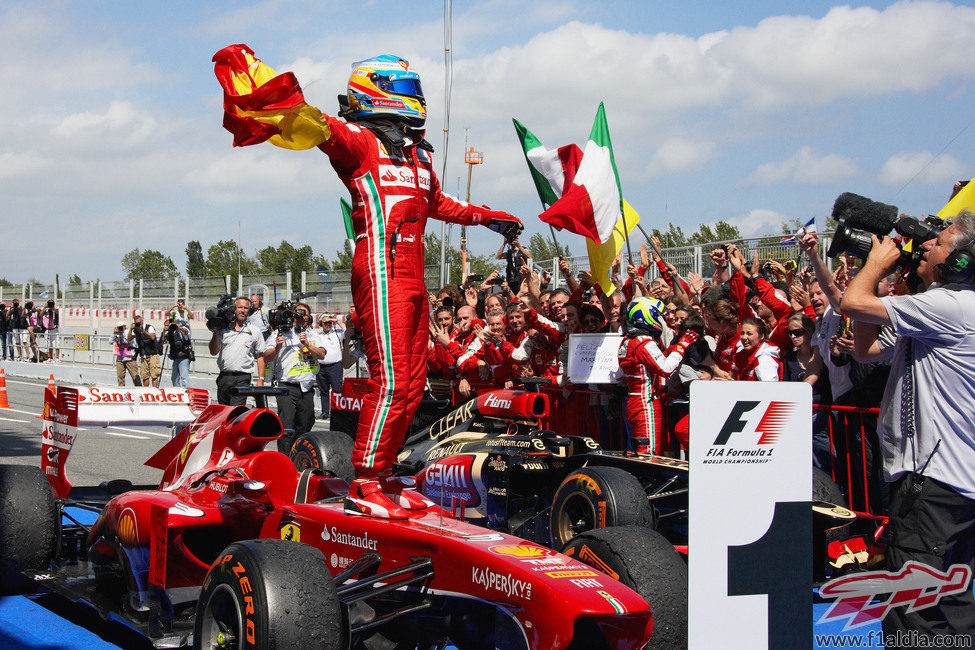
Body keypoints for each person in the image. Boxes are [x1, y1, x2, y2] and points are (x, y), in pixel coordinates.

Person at [214, 46, 522, 518]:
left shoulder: (418, 155)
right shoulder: (358, 140)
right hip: (380, 269)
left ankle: (389, 472)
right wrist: (264, 88)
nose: (413, 98)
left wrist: (491, 219)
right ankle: (366, 479)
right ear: (376, 92)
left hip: (415, 277)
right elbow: (309, 120)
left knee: (414, 384)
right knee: (392, 380)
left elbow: (442, 205)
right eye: (404, 90)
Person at [841, 211, 975, 643]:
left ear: (959, 261)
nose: (926, 246)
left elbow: (850, 304)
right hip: (952, 483)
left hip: (934, 483)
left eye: (938, 242)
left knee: (911, 603)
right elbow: (865, 350)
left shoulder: (950, 306)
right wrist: (877, 284)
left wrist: (875, 266)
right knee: (950, 601)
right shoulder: (949, 308)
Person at [617, 297, 699, 454]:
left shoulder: (627, 340)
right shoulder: (643, 341)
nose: (661, 319)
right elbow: (666, 369)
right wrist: (683, 345)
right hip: (646, 403)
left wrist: (674, 347)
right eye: (657, 315)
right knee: (649, 451)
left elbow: (648, 364)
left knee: (641, 448)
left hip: (635, 399)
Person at [263, 303, 325, 454]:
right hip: (286, 387)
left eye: (304, 313)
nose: (300, 316)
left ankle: (298, 455)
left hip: (306, 387)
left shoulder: (312, 334)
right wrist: (277, 348)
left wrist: (307, 345)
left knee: (306, 424)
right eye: (297, 313)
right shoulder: (281, 333)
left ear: (308, 317)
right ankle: (284, 459)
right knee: (286, 427)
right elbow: (266, 357)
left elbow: (322, 354)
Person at [209, 297, 267, 405]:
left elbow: (260, 356)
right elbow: (213, 352)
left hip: (243, 378)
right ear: (234, 309)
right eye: (240, 307)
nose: (242, 310)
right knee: (224, 413)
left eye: (246, 308)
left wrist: (261, 379)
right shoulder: (223, 329)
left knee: (236, 411)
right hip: (224, 377)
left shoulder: (255, 331)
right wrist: (215, 332)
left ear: (249, 310)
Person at [315, 313, 345, 420]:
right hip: (321, 367)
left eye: (329, 322)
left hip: (335, 366)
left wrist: (335, 320)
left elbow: (346, 329)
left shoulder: (337, 333)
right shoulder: (317, 335)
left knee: (337, 390)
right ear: (321, 324)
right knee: (323, 391)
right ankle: (325, 412)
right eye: (325, 323)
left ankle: (338, 412)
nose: (328, 324)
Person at [128, 313, 161, 388]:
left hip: (152, 354)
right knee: (144, 375)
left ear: (142, 321)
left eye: (139, 322)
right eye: (137, 323)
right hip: (143, 355)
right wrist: (131, 329)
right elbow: (129, 339)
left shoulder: (149, 327)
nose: (138, 324)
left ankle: (154, 390)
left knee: (154, 374)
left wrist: (143, 331)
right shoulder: (136, 330)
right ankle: (146, 391)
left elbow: (152, 337)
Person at [165, 318, 194, 388]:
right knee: (174, 378)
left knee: (184, 378)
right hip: (176, 358)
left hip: (184, 357)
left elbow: (186, 332)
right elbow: (162, 341)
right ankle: (177, 391)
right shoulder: (170, 333)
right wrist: (164, 330)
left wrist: (179, 327)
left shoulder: (182, 331)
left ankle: (186, 392)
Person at [112, 321, 141, 386]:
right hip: (120, 359)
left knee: (135, 377)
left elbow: (128, 340)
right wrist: (114, 334)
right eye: (119, 327)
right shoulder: (116, 334)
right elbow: (110, 341)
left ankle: (139, 389)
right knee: (120, 378)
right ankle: (121, 391)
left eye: (121, 327)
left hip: (130, 358)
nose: (120, 329)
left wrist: (122, 334)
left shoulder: (128, 332)